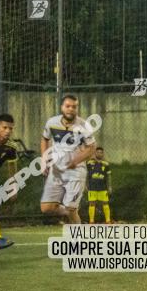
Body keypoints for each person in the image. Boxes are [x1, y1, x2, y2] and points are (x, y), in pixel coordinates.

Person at [41, 95, 97, 224]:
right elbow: (45, 138)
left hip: (76, 172)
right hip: (56, 171)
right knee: (46, 208)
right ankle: (69, 210)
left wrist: (75, 161)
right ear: (62, 107)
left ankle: (78, 240)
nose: (71, 109)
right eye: (68, 106)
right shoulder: (52, 123)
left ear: (77, 108)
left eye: (74, 107)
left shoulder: (84, 125)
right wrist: (44, 160)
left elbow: (91, 147)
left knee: (71, 209)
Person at [0, 113, 18, 251]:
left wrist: (13, 186)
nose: (8, 131)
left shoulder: (11, 147)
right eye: (4, 127)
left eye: (10, 128)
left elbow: (12, 167)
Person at [86, 147, 113, 224]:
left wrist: (110, 186)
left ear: (103, 154)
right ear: (95, 153)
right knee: (92, 203)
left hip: (103, 187)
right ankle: (91, 221)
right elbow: (86, 174)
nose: (99, 154)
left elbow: (109, 176)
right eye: (98, 152)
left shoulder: (106, 164)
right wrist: (85, 184)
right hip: (92, 187)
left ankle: (108, 221)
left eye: (101, 152)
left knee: (105, 203)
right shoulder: (89, 163)